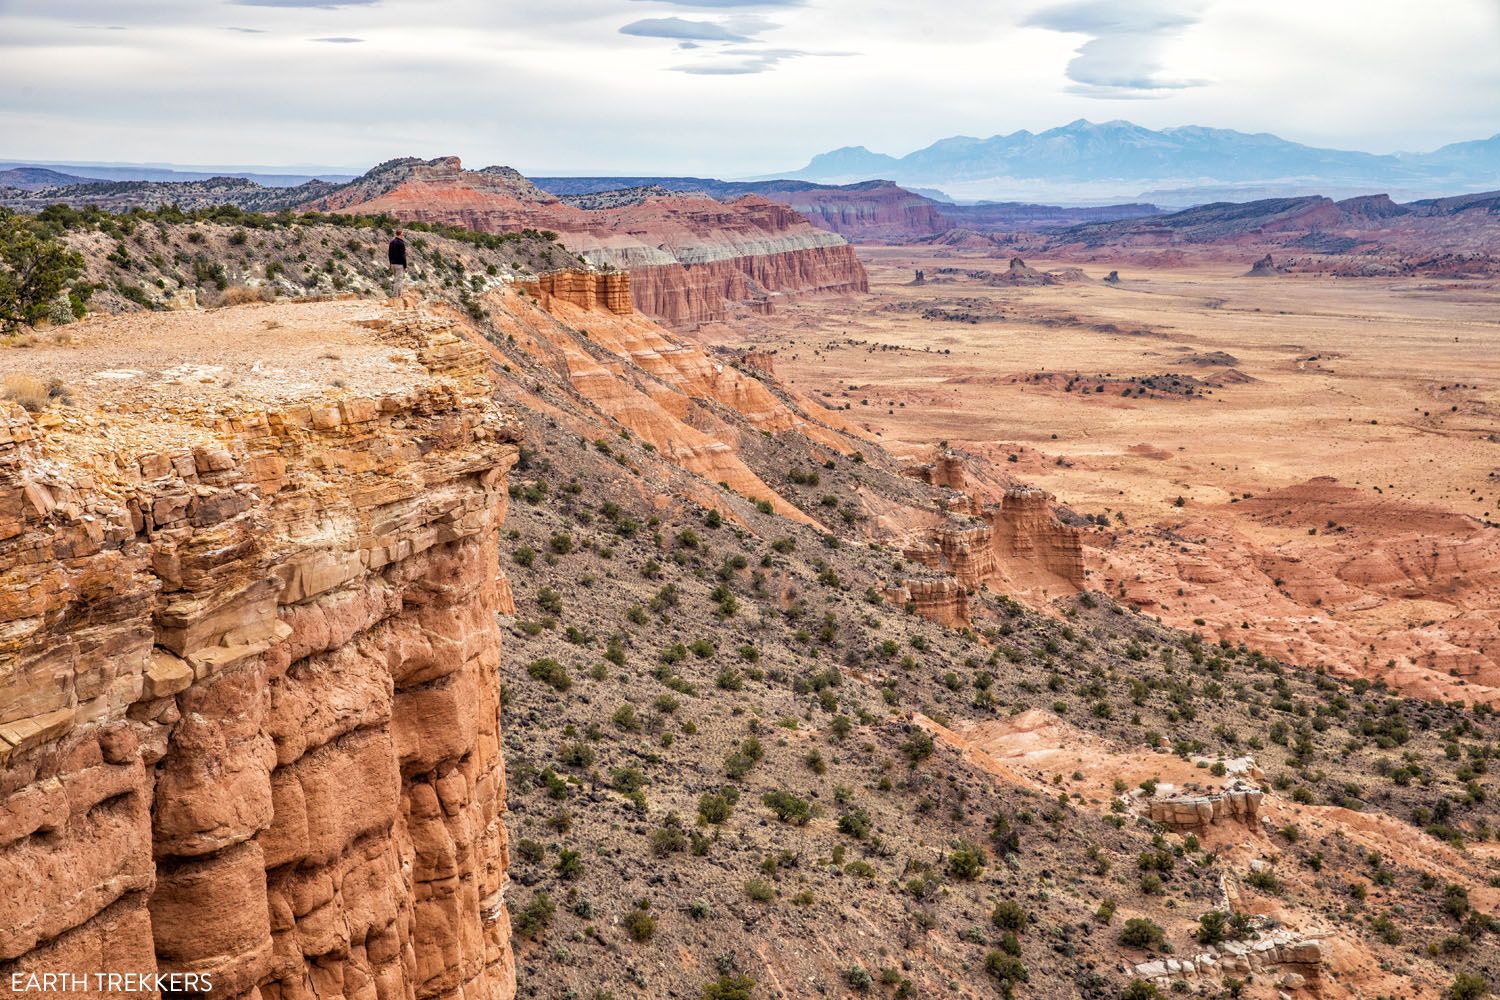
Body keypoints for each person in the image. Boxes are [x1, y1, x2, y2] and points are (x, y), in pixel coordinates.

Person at [387, 229, 407, 296]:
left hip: (393, 264)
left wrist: (390, 264)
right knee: (399, 280)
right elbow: (403, 255)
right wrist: (405, 266)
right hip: (399, 264)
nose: (403, 235)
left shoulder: (392, 242)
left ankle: (399, 294)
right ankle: (396, 295)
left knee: (396, 279)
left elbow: (389, 254)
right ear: (401, 234)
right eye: (403, 234)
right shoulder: (401, 243)